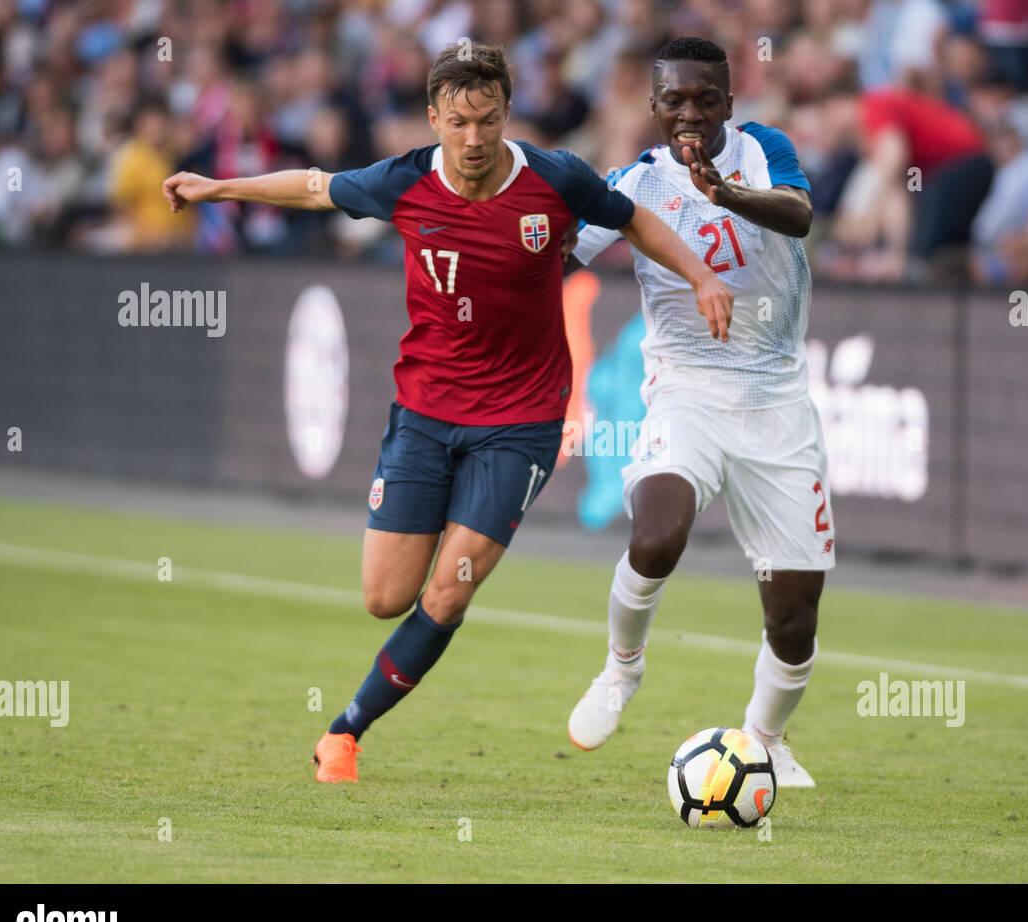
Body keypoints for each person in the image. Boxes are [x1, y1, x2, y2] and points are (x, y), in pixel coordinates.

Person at [162, 42, 733, 783]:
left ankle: (344, 734)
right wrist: (217, 187)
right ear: (433, 118)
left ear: (506, 114)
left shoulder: (555, 179)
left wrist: (699, 276)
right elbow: (312, 186)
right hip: (425, 413)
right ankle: (360, 706)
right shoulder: (403, 182)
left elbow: (633, 221)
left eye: (488, 121)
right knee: (384, 597)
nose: (473, 140)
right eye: (458, 123)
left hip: (522, 422)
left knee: (449, 588)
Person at [563, 36, 829, 787]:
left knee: (794, 613)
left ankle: (766, 737)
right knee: (658, 534)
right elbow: (558, 259)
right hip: (688, 389)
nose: (690, 113)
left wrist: (727, 193)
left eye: (705, 99)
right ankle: (621, 669)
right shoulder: (630, 186)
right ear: (652, 106)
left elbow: (801, 215)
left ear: (729, 103)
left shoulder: (761, 150)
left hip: (776, 401)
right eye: (674, 99)